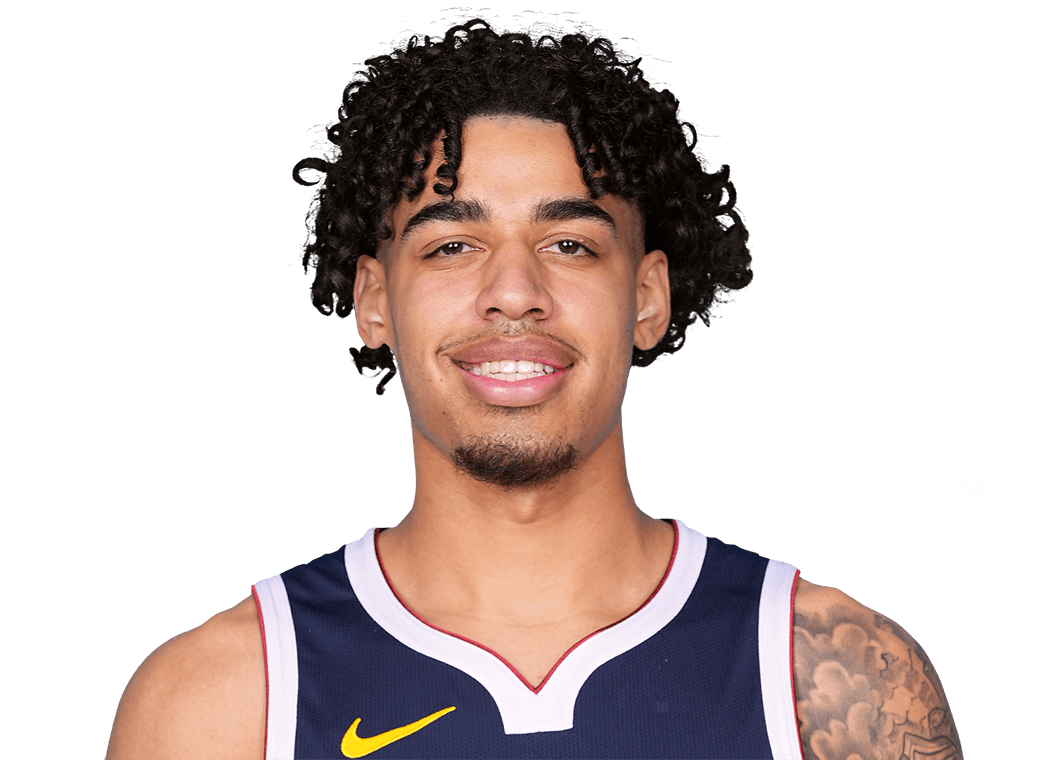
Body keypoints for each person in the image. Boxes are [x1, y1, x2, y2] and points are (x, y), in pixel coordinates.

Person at [106, 15, 962, 760]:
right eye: (452, 245)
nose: (513, 292)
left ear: (648, 297)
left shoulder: (836, 678)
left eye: (570, 245)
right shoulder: (220, 702)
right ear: (374, 301)